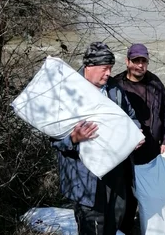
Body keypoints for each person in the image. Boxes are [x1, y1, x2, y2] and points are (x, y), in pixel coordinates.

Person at [50, 42, 143, 235]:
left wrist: (135, 134)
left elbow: (131, 117)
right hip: (85, 178)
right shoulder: (67, 92)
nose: (108, 73)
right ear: (89, 67)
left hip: (115, 174)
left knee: (114, 221)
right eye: (104, 68)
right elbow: (53, 136)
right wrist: (74, 139)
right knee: (92, 227)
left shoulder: (114, 90)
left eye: (110, 68)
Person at [114, 43, 165, 234]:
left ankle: (155, 229)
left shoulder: (155, 83)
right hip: (125, 152)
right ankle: (124, 229)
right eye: (136, 61)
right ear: (127, 61)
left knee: (154, 195)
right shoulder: (116, 85)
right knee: (125, 198)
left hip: (152, 149)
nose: (140, 65)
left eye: (143, 61)